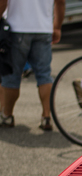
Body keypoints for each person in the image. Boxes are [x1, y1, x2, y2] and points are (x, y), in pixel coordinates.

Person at [0, 0, 65, 130]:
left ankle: (7, 115)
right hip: (43, 29)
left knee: (12, 76)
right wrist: (57, 26)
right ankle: (46, 116)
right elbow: (60, 2)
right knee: (44, 75)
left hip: (17, 28)